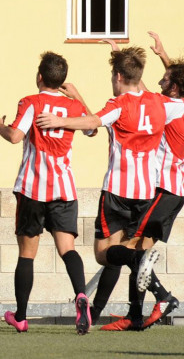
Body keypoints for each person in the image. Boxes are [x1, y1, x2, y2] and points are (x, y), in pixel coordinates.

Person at [36, 46, 184, 331]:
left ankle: (142, 269)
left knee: (104, 254)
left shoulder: (118, 105)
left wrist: (59, 120)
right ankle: (118, 307)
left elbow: (94, 122)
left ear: (117, 76)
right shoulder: (160, 103)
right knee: (124, 251)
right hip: (145, 192)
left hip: (117, 190)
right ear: (138, 74)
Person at [0, 52, 95, 335]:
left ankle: (21, 316)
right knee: (68, 250)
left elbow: (14, 136)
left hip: (32, 189)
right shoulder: (73, 107)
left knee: (27, 254)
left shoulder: (31, 102)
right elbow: (93, 128)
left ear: (39, 77)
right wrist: (77, 97)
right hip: (64, 188)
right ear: (62, 81)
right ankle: (81, 295)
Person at [93, 33, 183, 331]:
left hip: (164, 189)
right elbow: (143, 90)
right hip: (173, 192)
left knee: (134, 252)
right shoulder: (171, 105)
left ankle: (162, 297)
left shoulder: (168, 110)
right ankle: (135, 314)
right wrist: (156, 56)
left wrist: (125, 65)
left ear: (176, 87)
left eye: (165, 79)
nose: (159, 83)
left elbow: (137, 95)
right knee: (137, 251)